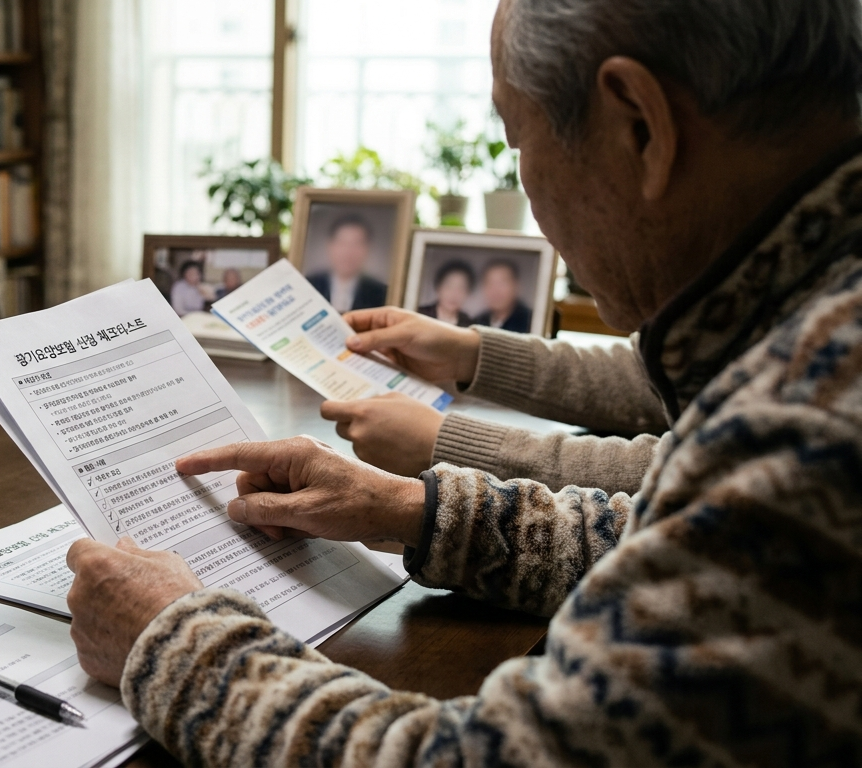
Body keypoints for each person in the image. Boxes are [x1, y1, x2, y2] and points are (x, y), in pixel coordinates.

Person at [65, 1, 862, 765]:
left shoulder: (812, 426)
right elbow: (686, 539)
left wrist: (173, 642)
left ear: (639, 125)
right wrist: (411, 509)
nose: (529, 191)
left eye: (518, 143)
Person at [306, 215, 388, 312]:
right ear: (330, 246)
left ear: (367, 248)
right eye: (342, 243)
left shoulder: (381, 292)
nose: (348, 252)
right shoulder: (308, 285)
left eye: (356, 244)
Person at [470, 258, 533, 332]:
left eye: (502, 283)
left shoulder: (531, 320)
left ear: (516, 286)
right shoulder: (477, 322)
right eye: (490, 283)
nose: (496, 290)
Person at [417, 259, 475, 327]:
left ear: (468, 292)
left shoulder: (470, 325)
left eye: (461, 288)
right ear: (438, 288)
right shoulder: (420, 315)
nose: (454, 294)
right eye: (449, 286)